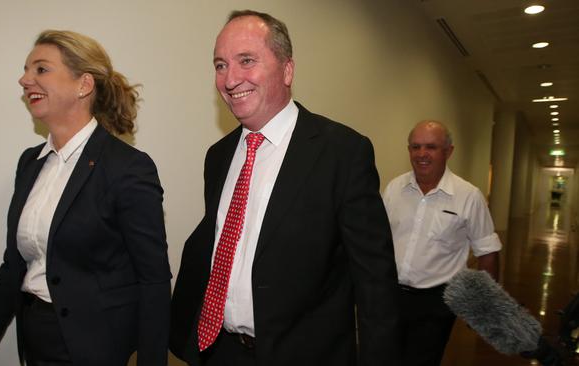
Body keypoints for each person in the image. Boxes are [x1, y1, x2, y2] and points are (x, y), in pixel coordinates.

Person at [170, 10, 399, 366]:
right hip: (217, 352)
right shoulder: (218, 156)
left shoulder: (342, 152)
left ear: (287, 69)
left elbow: (375, 283)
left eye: (246, 61)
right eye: (220, 65)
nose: (230, 79)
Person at [0, 30, 171, 366]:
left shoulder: (128, 167)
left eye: (41, 69)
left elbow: (153, 279)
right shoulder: (30, 162)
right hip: (36, 342)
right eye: (26, 70)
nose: (24, 80)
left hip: (96, 350)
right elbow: (15, 264)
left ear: (83, 84)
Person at [382, 120, 502, 366]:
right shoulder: (395, 188)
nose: (422, 154)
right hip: (390, 296)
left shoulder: (469, 196)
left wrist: (483, 304)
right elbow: (379, 239)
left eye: (431, 147)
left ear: (448, 151)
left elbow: (487, 251)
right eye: (415, 147)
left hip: (436, 303)